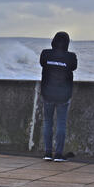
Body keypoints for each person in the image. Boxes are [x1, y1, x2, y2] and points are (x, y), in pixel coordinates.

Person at [40, 32, 77, 162]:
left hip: (48, 93)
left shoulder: (45, 54)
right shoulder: (71, 57)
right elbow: (74, 67)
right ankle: (58, 154)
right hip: (63, 95)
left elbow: (42, 63)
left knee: (47, 123)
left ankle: (48, 153)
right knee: (61, 123)